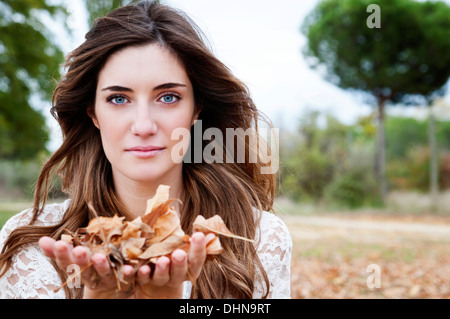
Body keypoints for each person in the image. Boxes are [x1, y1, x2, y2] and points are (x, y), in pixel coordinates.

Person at [0, 0, 292, 299]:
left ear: (196, 109)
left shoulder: (258, 238)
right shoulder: (31, 245)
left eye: (168, 97)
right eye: (118, 99)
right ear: (93, 112)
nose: (143, 125)